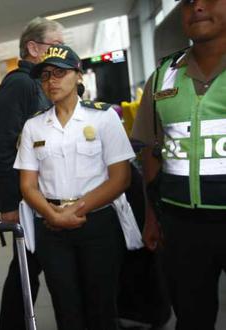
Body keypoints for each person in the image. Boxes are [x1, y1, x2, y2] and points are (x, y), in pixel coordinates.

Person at [15, 45, 135, 329]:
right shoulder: (34, 126)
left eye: (59, 72)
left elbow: (120, 178)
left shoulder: (103, 117)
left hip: (98, 223)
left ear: (78, 76)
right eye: (45, 75)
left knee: (102, 307)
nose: (51, 81)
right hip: (52, 228)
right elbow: (28, 185)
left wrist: (72, 211)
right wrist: (54, 215)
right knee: (66, 308)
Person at [131, 0, 226, 328]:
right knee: (191, 316)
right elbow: (151, 151)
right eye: (187, 1)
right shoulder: (163, 76)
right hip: (181, 225)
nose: (197, 6)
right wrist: (151, 215)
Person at [0, 17, 63, 329]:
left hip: (40, 198)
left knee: (28, 270)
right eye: (55, 46)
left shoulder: (36, 84)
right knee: (26, 272)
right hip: (24, 201)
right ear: (33, 48)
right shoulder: (19, 84)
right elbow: (1, 146)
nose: (62, 53)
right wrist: (7, 204)